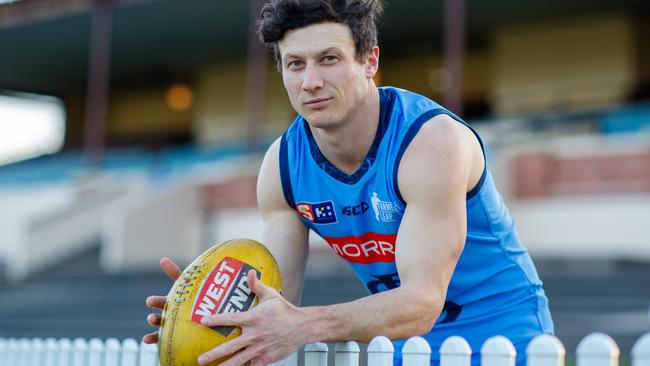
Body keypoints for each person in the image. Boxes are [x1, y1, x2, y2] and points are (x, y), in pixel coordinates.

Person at [144, 1, 554, 365]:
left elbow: (422, 303)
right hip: (401, 348)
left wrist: (304, 325)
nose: (311, 82)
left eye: (329, 59)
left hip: (506, 342)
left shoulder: (431, 142)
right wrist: (207, 317)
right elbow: (275, 300)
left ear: (370, 61)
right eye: (295, 64)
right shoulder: (282, 167)